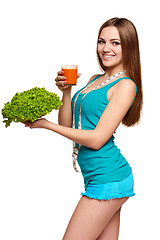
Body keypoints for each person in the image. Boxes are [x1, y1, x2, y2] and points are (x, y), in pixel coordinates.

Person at [25, 17, 143, 240]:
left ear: (129, 46)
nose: (106, 48)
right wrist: (67, 92)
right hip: (98, 177)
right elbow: (67, 125)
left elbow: (97, 139)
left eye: (115, 43)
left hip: (108, 177)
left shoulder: (125, 85)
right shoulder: (94, 79)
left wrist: (45, 125)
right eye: (102, 41)